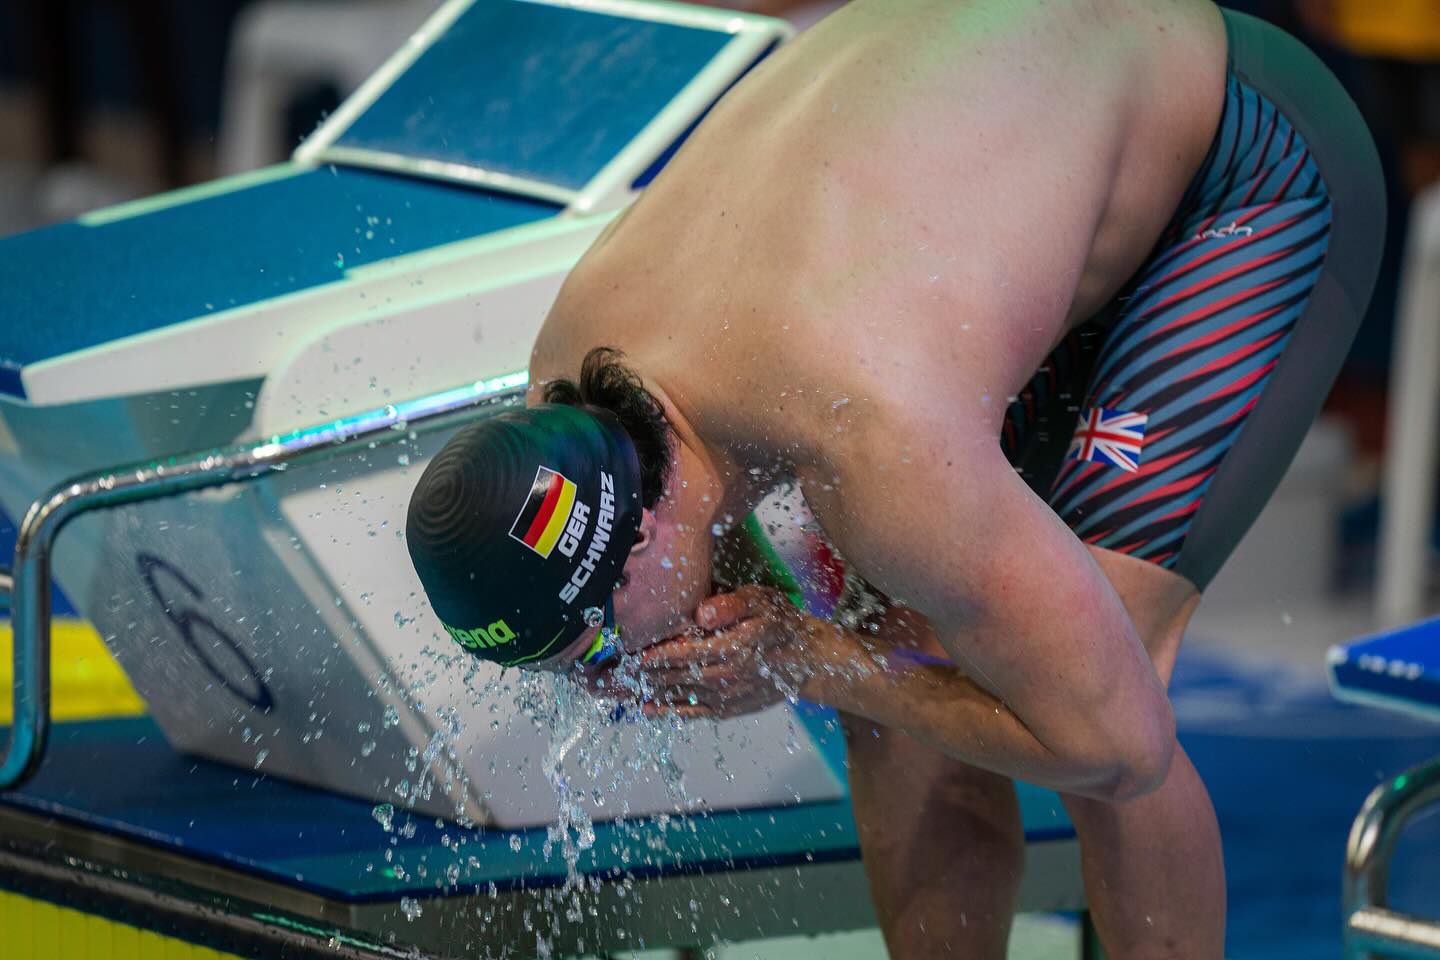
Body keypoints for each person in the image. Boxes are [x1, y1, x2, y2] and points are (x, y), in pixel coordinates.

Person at [406, 0, 1384, 955]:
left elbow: (1120, 749)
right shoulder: (571, 383)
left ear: (649, 533)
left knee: (1090, 683)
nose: (612, 680)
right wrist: (824, 655)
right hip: (993, 172)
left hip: (1236, 161)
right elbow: (830, 641)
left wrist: (815, 659)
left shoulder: (868, 440)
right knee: (896, 667)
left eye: (601, 645)